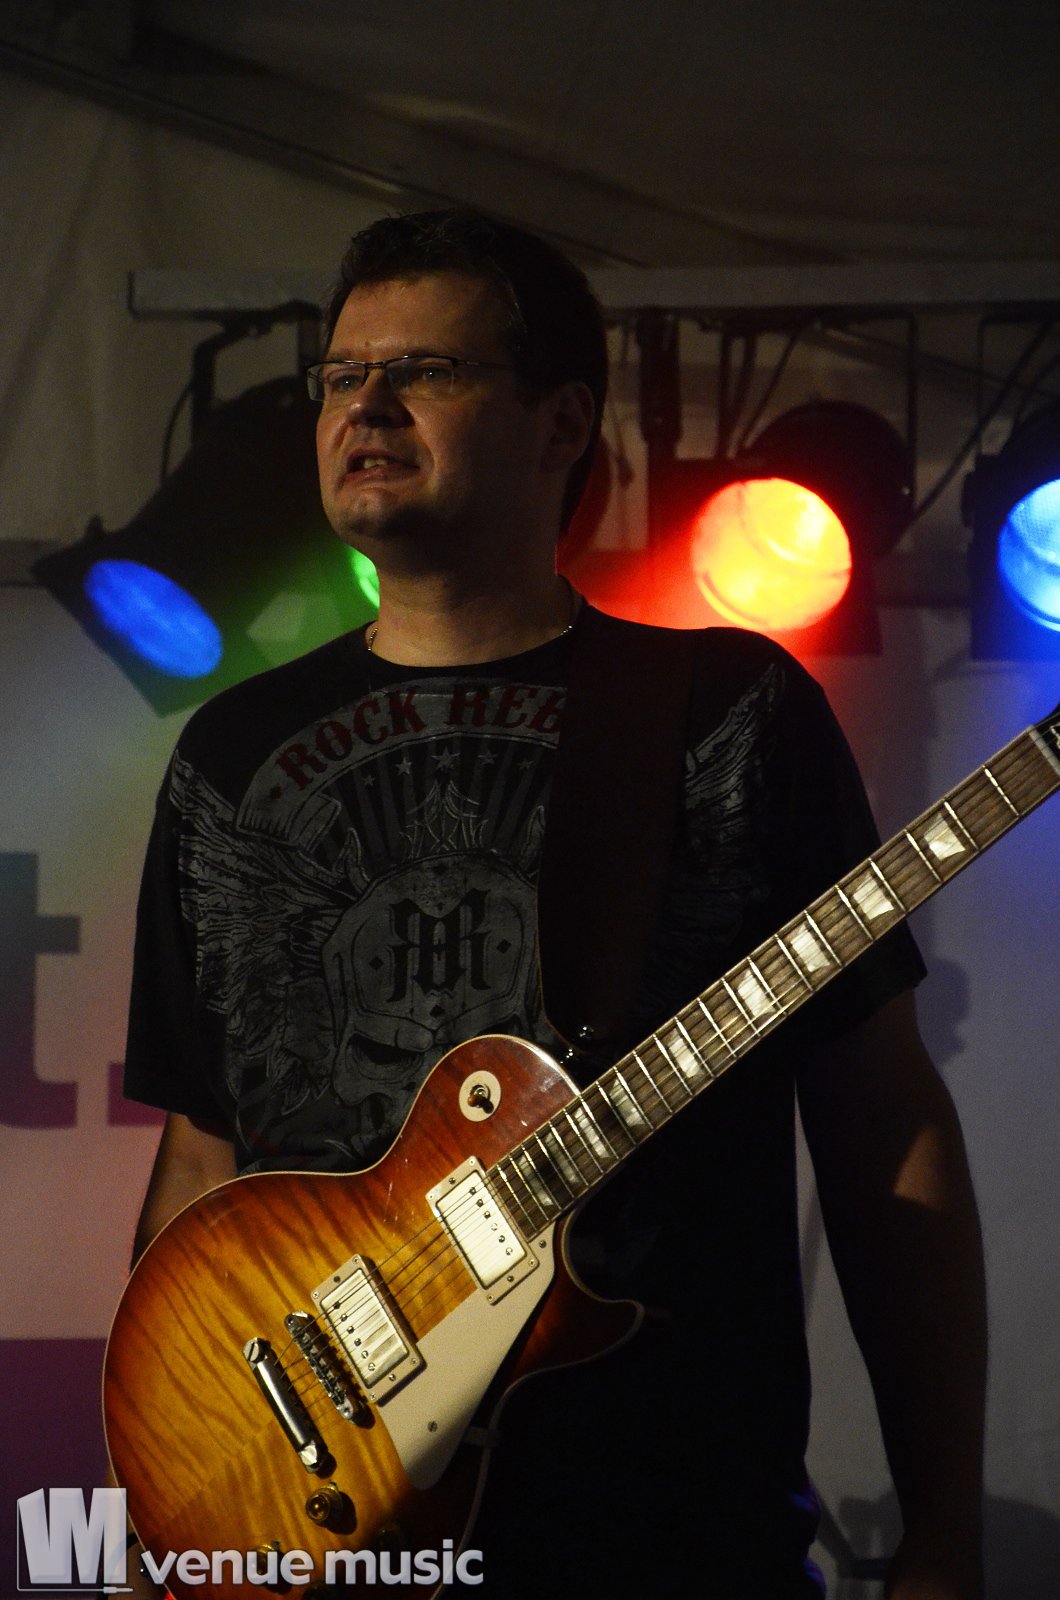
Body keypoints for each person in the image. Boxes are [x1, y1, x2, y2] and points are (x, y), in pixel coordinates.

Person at [119, 209, 986, 1598]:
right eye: (342, 376)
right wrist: (167, 1503)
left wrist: (942, 1524)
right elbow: (202, 1154)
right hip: (325, 1547)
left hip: (668, 1538)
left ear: (561, 421)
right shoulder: (233, 752)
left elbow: (882, 1125)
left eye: (425, 370)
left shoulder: (725, 714)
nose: (365, 407)